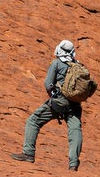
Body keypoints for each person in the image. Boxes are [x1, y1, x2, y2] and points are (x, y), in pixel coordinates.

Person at [12, 39, 85, 170]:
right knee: (75, 131)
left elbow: (48, 84)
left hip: (59, 102)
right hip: (75, 105)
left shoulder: (56, 63)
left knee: (33, 121)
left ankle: (28, 153)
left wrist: (53, 95)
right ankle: (73, 164)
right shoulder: (78, 65)